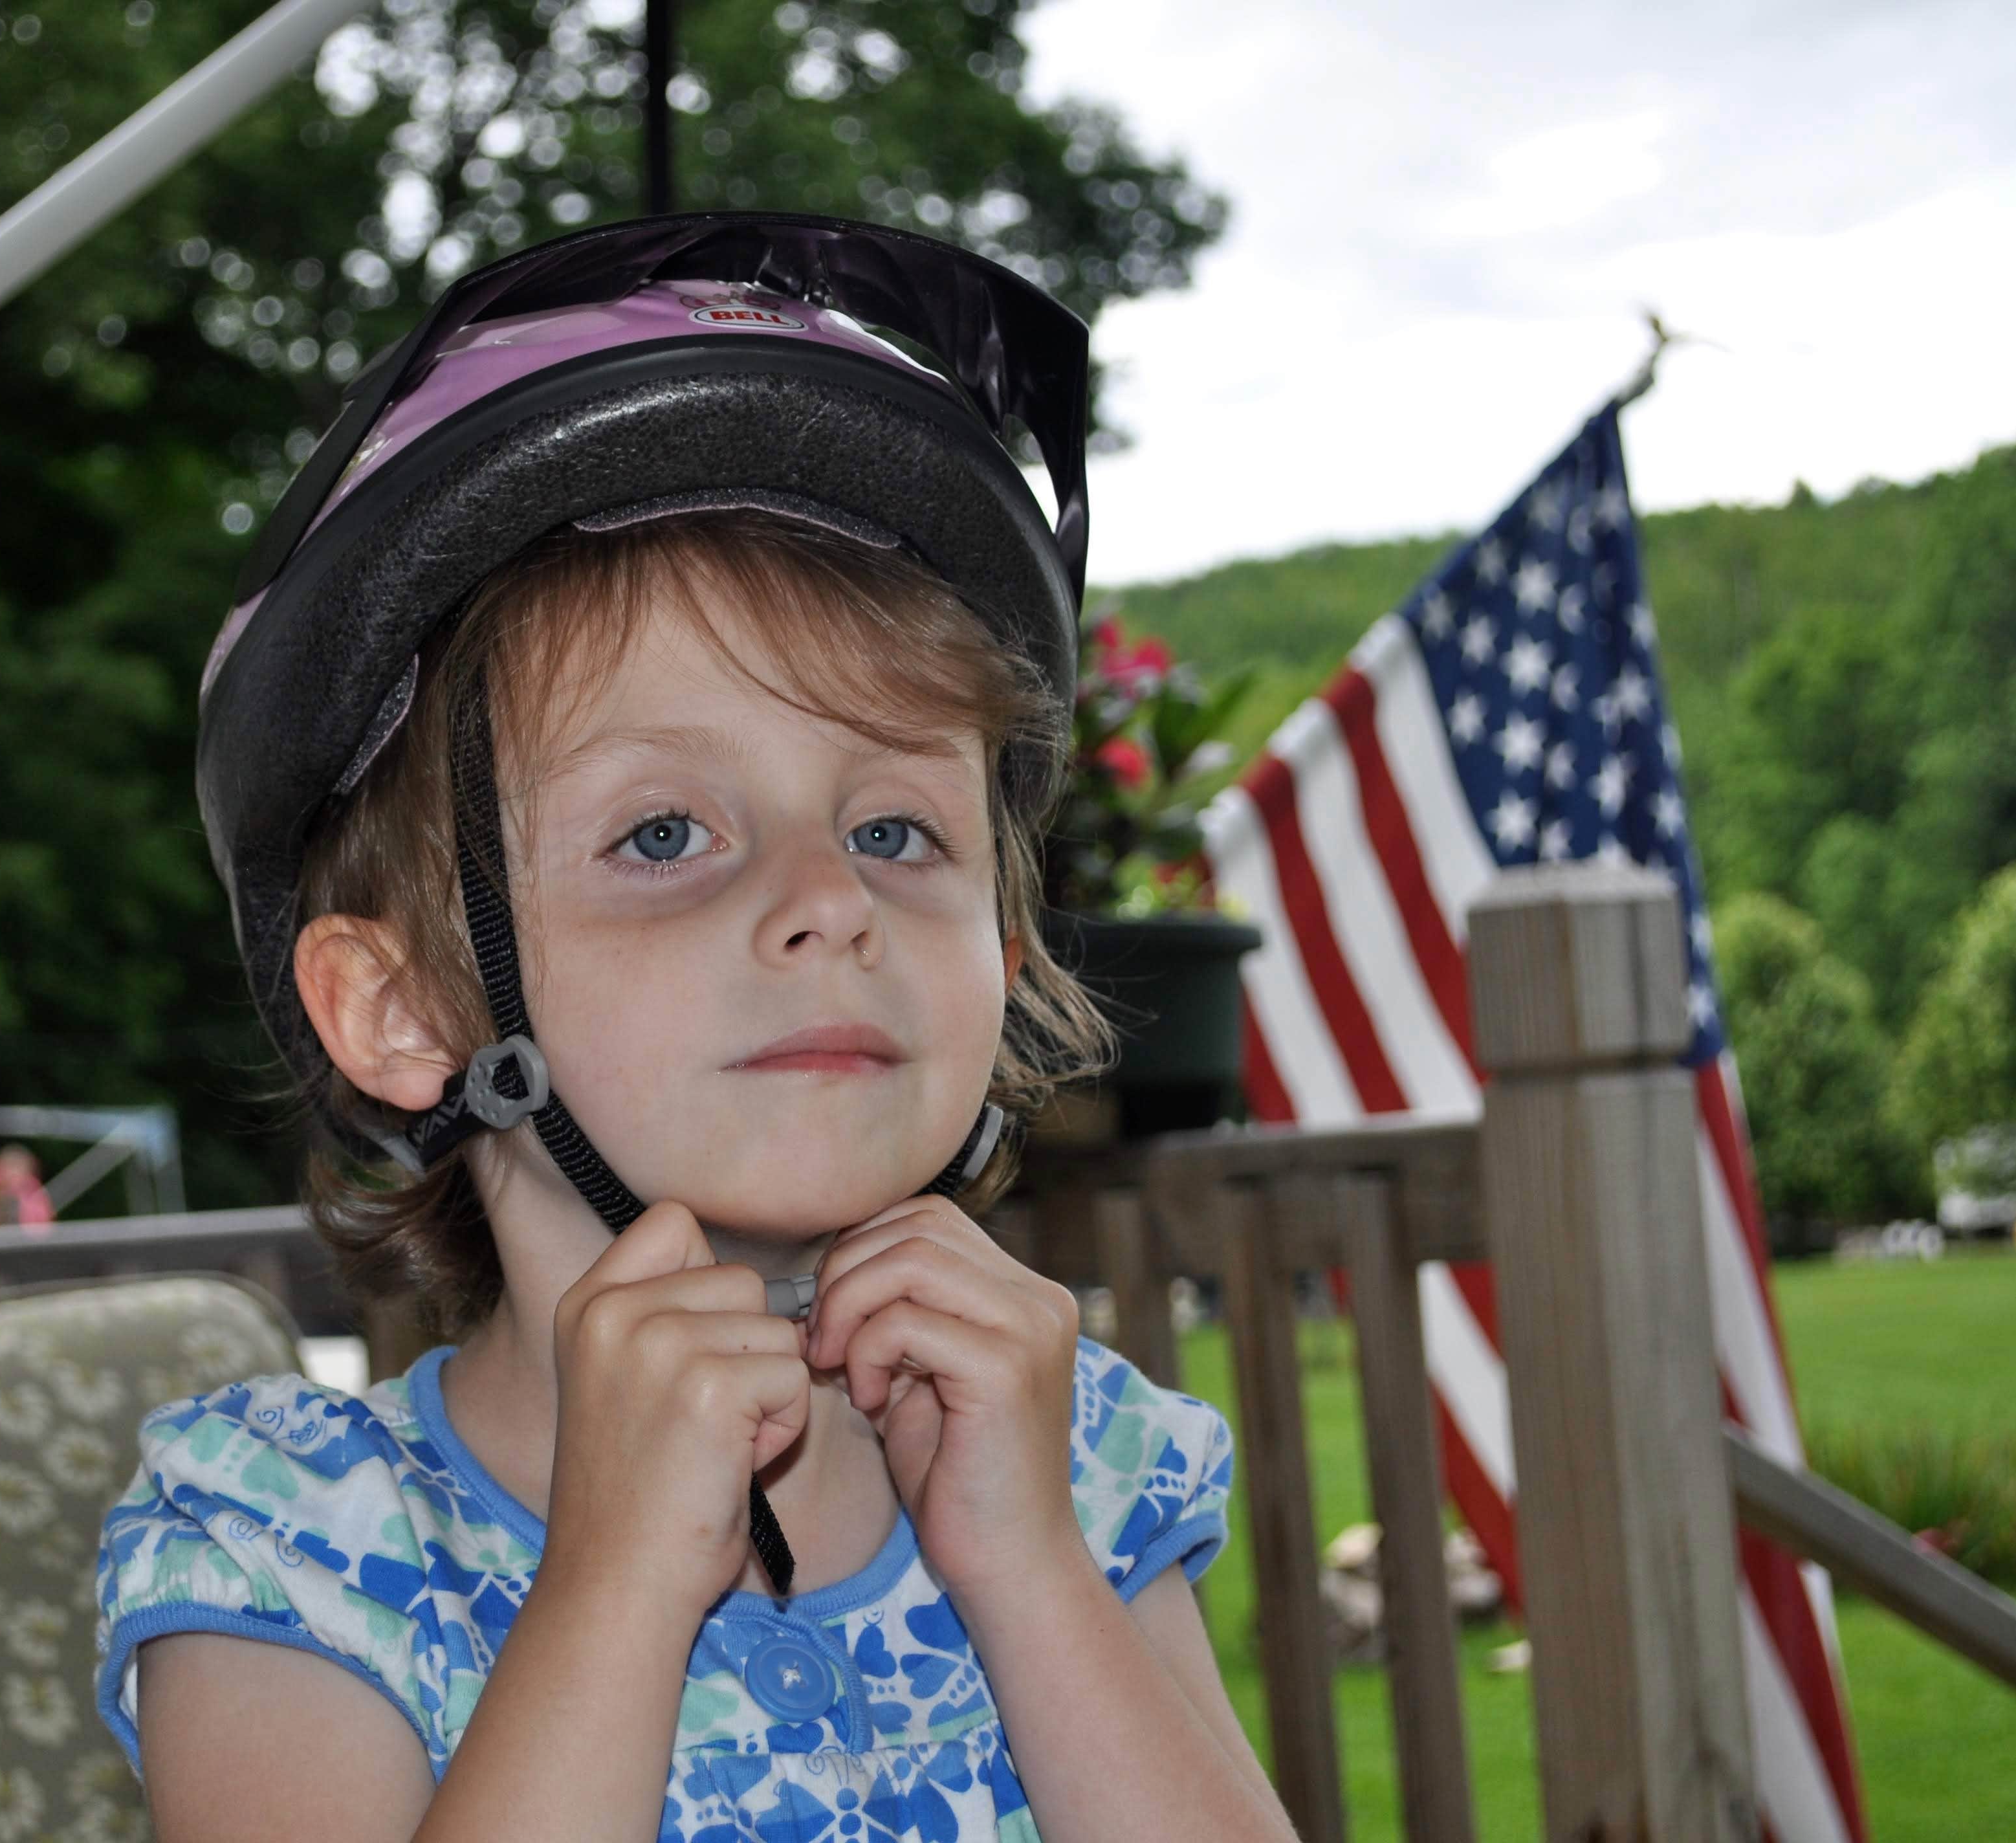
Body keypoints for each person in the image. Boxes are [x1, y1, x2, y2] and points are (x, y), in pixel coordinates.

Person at [93, 214, 1295, 1843]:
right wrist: (613, 1584)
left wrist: (1028, 1572)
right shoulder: (295, 1542)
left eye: (894, 832)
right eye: (664, 835)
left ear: (1000, 960)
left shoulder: (1071, 1459)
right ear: (398, 1011)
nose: (832, 903)